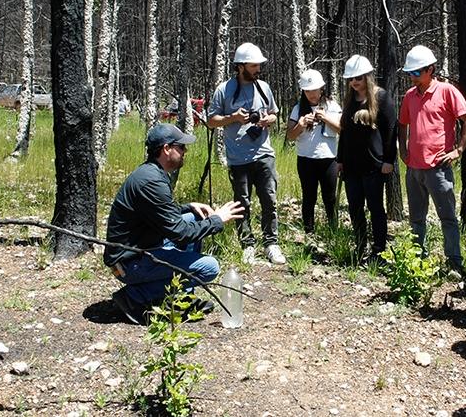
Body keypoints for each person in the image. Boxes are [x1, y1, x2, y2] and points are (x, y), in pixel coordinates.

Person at [104, 123, 243, 325]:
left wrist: (188, 207)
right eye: (181, 147)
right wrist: (217, 220)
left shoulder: (152, 173)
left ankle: (179, 298)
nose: (185, 151)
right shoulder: (151, 181)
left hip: (139, 249)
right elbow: (181, 234)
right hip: (128, 262)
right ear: (166, 149)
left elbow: (159, 214)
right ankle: (135, 296)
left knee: (194, 217)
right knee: (209, 268)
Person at [398, 45, 466, 276]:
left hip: (438, 168)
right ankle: (417, 261)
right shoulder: (410, 96)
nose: (412, 78)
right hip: (414, 168)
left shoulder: (447, 91)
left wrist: (458, 150)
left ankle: (454, 261)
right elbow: (402, 124)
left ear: (430, 69)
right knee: (416, 219)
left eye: (416, 73)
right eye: (410, 73)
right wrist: (402, 149)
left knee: (448, 217)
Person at [207, 42, 285, 265]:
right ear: (241, 66)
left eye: (259, 65)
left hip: (264, 154)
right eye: (253, 65)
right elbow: (211, 121)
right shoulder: (224, 90)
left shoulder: (264, 87)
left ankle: (271, 243)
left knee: (269, 200)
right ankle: (247, 245)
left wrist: (266, 120)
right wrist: (234, 118)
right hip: (238, 158)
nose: (258, 69)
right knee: (242, 203)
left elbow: (274, 114)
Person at [336, 55, 397, 261]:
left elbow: (390, 131)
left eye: (358, 78)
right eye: (351, 79)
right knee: (355, 206)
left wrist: (389, 160)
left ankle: (379, 250)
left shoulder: (381, 97)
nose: (354, 82)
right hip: (351, 165)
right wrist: (340, 159)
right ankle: (360, 245)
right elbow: (344, 132)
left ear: (367, 77)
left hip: (374, 165)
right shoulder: (349, 100)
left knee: (375, 208)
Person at [286, 69, 342, 233]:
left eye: (314, 89)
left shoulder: (332, 106)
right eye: (308, 90)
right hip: (306, 159)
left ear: (322, 88)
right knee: (309, 197)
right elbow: (290, 136)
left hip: (329, 159)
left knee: (330, 198)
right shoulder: (298, 108)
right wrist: (301, 125)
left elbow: (342, 130)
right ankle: (309, 231)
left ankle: (333, 231)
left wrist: (325, 118)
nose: (311, 94)